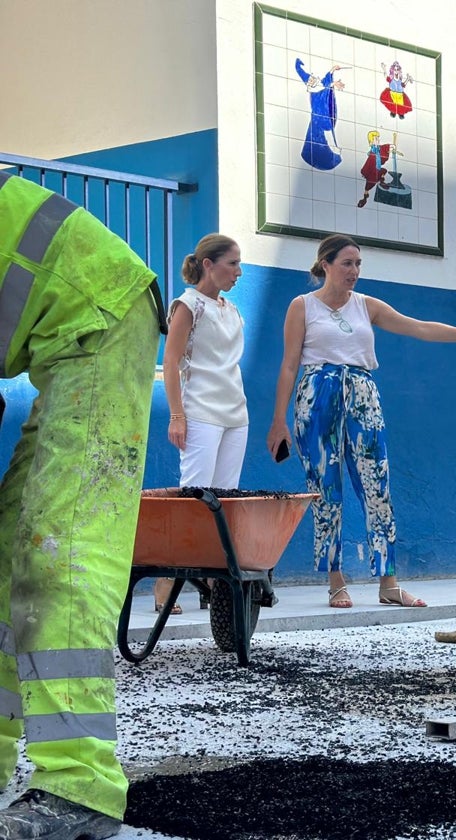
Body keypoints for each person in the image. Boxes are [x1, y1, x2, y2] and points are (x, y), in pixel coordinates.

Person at [0, 172, 164, 838]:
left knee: (54, 554)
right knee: (7, 559)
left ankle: (80, 788)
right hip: (62, 336)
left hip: (101, 318)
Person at [267, 234, 456, 609]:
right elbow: (288, 365)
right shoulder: (302, 307)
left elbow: (416, 326)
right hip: (316, 396)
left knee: (376, 484)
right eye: (347, 263)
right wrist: (278, 421)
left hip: (363, 397)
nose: (354, 271)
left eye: (358, 264)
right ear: (326, 265)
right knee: (325, 488)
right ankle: (336, 581)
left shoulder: (366, 306)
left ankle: (388, 582)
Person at [155, 234, 248, 614]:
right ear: (208, 264)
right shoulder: (188, 304)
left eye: (240, 264)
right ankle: (165, 583)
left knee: (224, 502)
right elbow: (172, 361)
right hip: (201, 412)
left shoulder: (231, 308)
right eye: (232, 264)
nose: (238, 272)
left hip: (235, 414)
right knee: (193, 499)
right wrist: (177, 415)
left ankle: (213, 583)